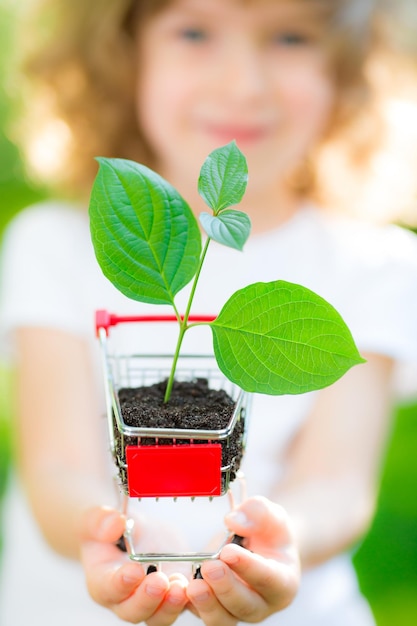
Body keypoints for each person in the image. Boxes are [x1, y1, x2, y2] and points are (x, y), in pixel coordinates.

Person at [1, 0, 417, 624]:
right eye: (194, 31)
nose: (242, 83)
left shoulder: (376, 263)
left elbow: (338, 484)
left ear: (349, 65)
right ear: (123, 54)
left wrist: (274, 543)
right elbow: (57, 466)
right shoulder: (53, 243)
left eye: (291, 37)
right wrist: (110, 534)